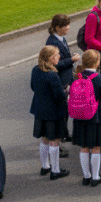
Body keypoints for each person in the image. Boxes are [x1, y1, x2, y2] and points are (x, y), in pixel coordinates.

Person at [71, 50, 101, 187]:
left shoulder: (78, 76)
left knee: (84, 147)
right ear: (97, 62)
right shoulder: (100, 79)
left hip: (80, 115)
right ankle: (95, 177)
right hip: (96, 116)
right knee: (95, 148)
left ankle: (86, 176)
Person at [30, 46, 70, 180]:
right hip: (54, 111)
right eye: (57, 55)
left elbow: (32, 87)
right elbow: (59, 95)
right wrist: (66, 92)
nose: (59, 57)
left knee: (44, 139)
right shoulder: (52, 74)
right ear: (50, 58)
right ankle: (55, 170)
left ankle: (45, 166)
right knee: (54, 140)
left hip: (40, 109)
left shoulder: (36, 69)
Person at [46, 14, 81, 150]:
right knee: (61, 113)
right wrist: (71, 60)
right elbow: (54, 64)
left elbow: (63, 57)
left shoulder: (61, 38)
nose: (68, 28)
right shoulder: (52, 43)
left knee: (66, 111)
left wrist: (70, 58)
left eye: (68, 24)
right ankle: (58, 141)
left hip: (67, 80)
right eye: (65, 26)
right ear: (57, 27)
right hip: (60, 81)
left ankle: (64, 134)